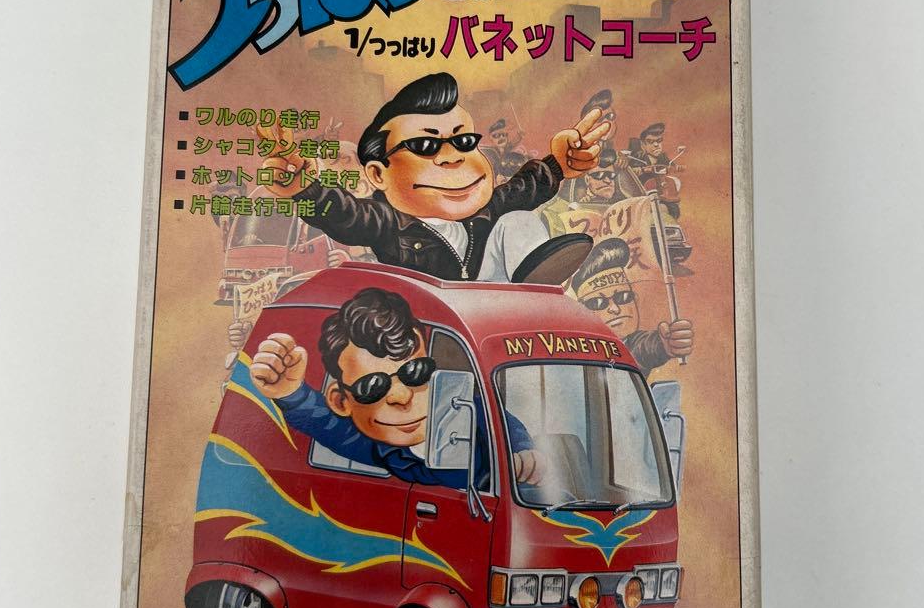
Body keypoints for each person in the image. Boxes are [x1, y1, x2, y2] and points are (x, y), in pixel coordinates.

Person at [260, 73, 607, 283]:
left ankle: (534, 289)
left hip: (494, 299)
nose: (452, 156)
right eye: (425, 146)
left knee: (517, 219)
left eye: (463, 141)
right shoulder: (387, 221)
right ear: (378, 173)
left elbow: (521, 190)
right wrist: (304, 189)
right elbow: (346, 215)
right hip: (434, 319)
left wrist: (557, 164)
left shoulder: (485, 209)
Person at [249, 287, 544, 489]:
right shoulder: (381, 448)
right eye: (373, 386)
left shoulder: (460, 404)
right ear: (341, 402)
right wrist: (291, 393)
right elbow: (327, 425)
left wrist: (522, 450)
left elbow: (503, 422)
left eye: (415, 372)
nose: (402, 397)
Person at [569, 238, 693, 376]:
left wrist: (664, 345)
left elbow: (643, 349)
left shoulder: (633, 345)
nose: (615, 309)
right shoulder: (573, 349)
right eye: (597, 303)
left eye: (623, 297)